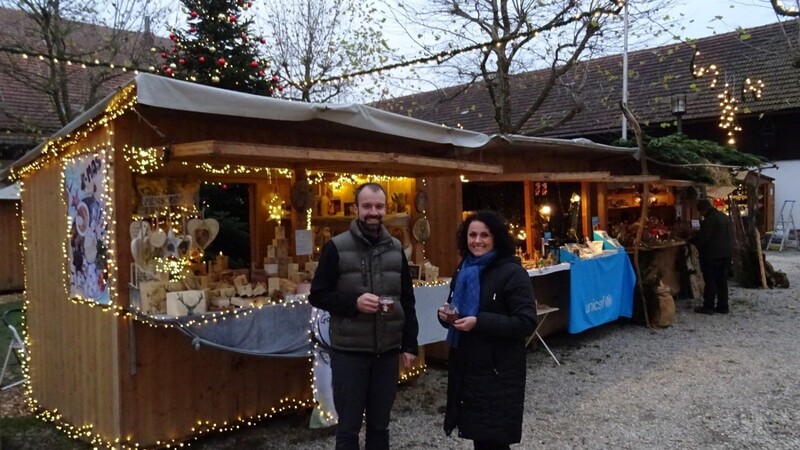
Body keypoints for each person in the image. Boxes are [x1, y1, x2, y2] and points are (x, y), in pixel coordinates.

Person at [309, 182, 419, 450]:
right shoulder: (336, 247)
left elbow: (407, 299)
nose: (373, 212)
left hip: (387, 353)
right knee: (348, 428)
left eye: (379, 206)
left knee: (380, 426)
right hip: (349, 353)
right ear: (356, 209)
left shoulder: (395, 248)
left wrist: (409, 343)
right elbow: (318, 295)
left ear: (385, 209)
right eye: (367, 206)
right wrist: (353, 303)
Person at [437, 211, 537, 450]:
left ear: (496, 238)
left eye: (484, 235)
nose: (477, 240)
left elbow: (526, 322)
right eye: (472, 235)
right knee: (480, 438)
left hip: (498, 371)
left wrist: (478, 322)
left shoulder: (512, 273)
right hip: (469, 367)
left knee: (494, 441)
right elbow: (458, 307)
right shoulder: (464, 269)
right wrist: (446, 316)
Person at [690, 199, 733, 314]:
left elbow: (703, 240)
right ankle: (723, 306)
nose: (700, 214)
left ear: (703, 210)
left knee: (710, 281)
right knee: (722, 281)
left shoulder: (709, 220)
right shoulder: (724, 217)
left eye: (700, 212)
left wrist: (691, 239)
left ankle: (708, 306)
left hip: (712, 256)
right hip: (726, 254)